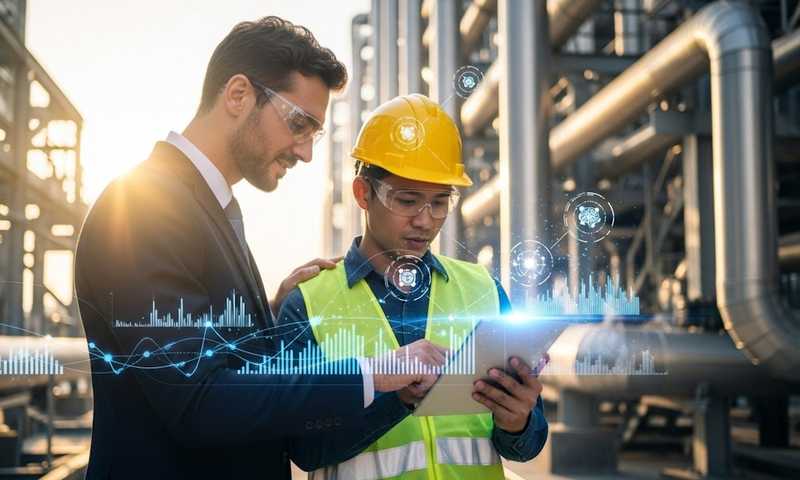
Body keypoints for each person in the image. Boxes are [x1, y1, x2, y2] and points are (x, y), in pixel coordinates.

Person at [74, 17, 440, 479]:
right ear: (238, 95)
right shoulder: (146, 205)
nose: (306, 152)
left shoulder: (208, 207)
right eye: (299, 124)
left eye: (314, 134)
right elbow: (198, 401)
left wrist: (263, 314)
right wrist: (373, 373)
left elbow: (197, 352)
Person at [278, 94, 549, 478]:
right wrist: (396, 401)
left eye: (440, 202)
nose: (425, 221)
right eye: (407, 201)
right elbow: (304, 449)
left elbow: (526, 444)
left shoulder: (483, 290)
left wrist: (518, 422)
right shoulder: (308, 303)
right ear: (363, 193)